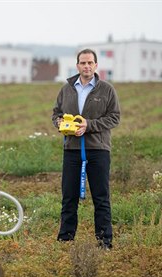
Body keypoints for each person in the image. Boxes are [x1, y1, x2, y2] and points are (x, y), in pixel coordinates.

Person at [51, 48, 120, 249]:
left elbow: (114, 117)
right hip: (71, 150)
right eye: (83, 63)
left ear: (96, 65)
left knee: (101, 198)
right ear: (77, 65)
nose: (87, 66)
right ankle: (65, 240)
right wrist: (61, 124)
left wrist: (88, 126)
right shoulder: (67, 89)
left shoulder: (106, 90)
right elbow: (56, 114)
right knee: (69, 197)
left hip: (98, 150)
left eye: (90, 63)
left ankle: (104, 242)